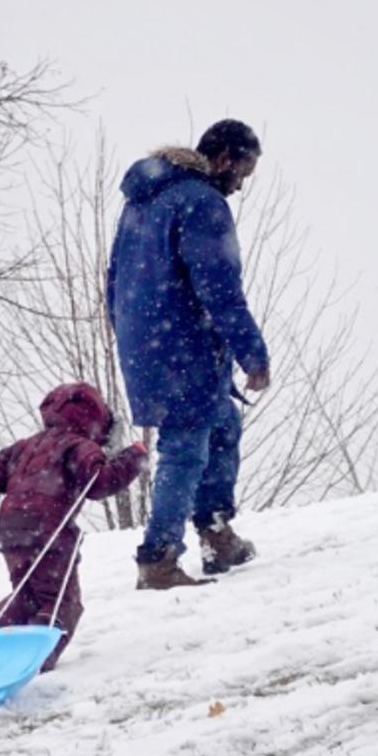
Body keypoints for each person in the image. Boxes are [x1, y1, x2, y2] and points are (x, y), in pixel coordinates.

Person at [105, 119, 270, 590]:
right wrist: (251, 353)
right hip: (183, 344)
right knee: (186, 446)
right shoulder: (201, 202)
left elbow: (113, 278)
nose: (239, 185)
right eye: (242, 172)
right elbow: (219, 288)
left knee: (221, 427)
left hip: (148, 342)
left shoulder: (142, 202)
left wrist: (128, 337)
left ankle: (216, 533)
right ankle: (158, 558)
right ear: (223, 158)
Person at [0, 382, 147, 672]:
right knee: (61, 602)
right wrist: (133, 457)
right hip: (49, 530)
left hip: (12, 530)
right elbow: (101, 482)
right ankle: (33, 663)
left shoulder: (23, 447)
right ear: (94, 420)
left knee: (28, 594)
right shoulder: (79, 447)